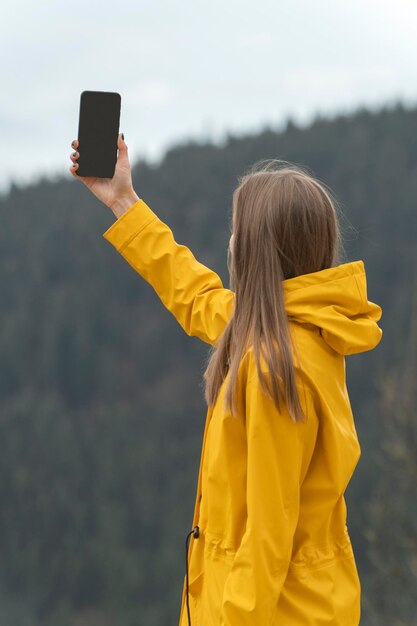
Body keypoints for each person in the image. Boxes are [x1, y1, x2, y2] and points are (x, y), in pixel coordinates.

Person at [69, 134, 383, 626]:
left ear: (256, 250)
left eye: (237, 231)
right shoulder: (302, 328)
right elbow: (194, 293)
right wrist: (122, 201)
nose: (230, 241)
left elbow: (266, 545)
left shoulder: (274, 368)